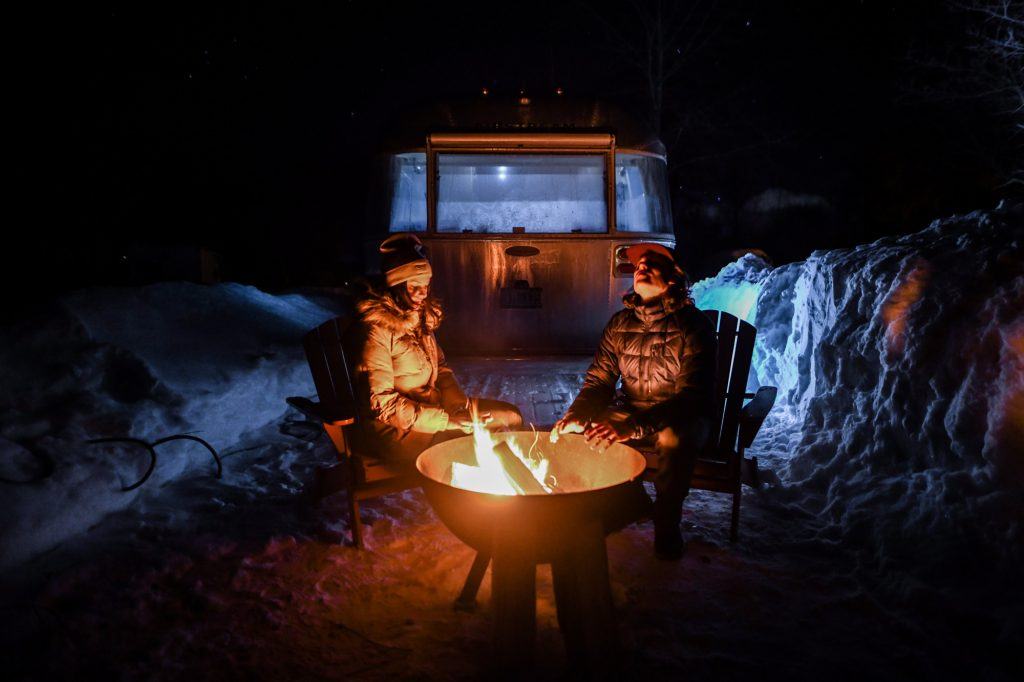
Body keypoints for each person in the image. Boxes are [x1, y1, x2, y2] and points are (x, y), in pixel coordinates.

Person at [552, 243, 717, 559]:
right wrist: (578, 413)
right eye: (640, 263)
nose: (642, 266)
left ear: (672, 279)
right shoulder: (620, 324)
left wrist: (633, 427)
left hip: (681, 416)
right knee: (585, 434)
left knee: (673, 437)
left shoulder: (694, 327)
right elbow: (599, 381)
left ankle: (666, 524)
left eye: (652, 263)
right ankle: (630, 505)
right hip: (632, 411)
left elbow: (691, 398)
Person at [350, 233, 523, 462]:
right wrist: (447, 421)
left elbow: (440, 369)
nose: (423, 292)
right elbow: (383, 403)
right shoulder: (377, 331)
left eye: (426, 285)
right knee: (480, 446)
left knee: (511, 417)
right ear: (397, 286)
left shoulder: (418, 318)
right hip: (400, 432)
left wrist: (459, 408)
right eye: (414, 286)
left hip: (434, 412)